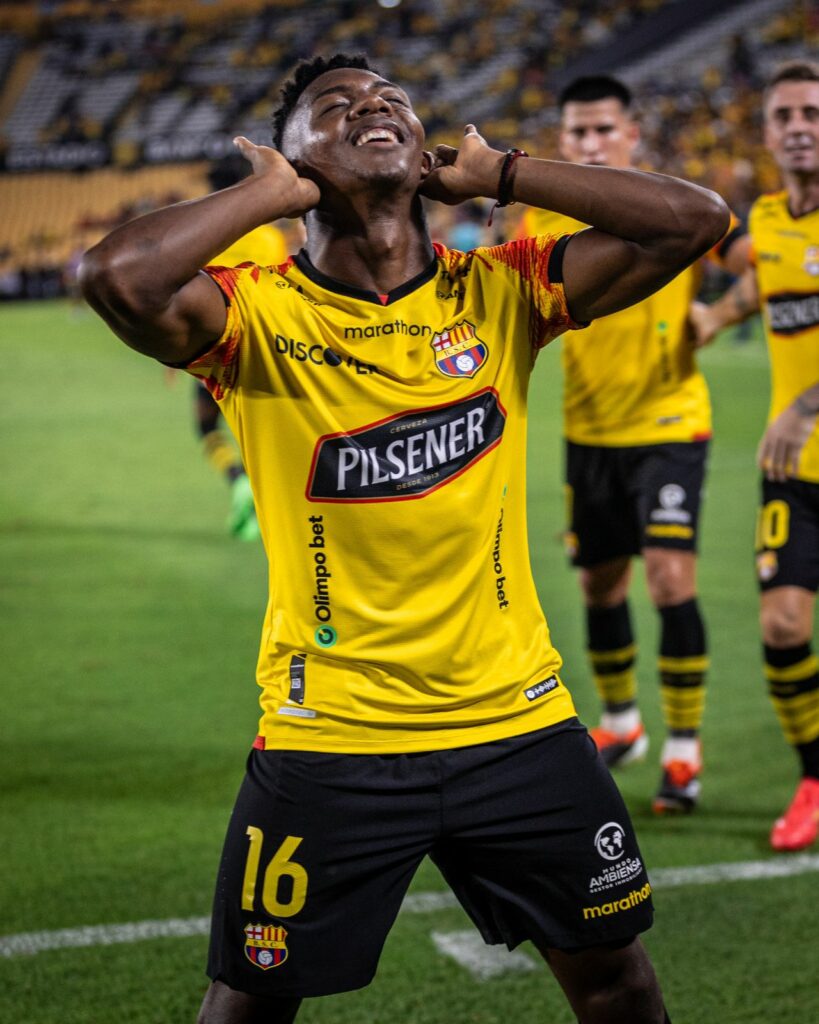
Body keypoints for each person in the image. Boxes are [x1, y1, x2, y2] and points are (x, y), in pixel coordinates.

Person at [80, 53, 727, 1024]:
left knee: (616, 981)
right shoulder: (255, 313)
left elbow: (696, 220)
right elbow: (114, 276)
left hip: (516, 720)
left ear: (423, 148)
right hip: (332, 734)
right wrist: (266, 197)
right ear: (294, 158)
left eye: (391, 100)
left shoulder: (503, 290)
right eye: (334, 107)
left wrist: (504, 173)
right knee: (250, 1003)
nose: (371, 107)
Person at [516, 76, 747, 813]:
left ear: (632, 134)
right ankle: (622, 724)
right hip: (589, 432)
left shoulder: (667, 203)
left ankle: (683, 749)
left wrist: (722, 314)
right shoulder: (541, 219)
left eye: (603, 130)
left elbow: (761, 263)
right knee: (600, 585)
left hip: (669, 424)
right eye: (577, 132)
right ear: (562, 139)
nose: (590, 143)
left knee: (671, 582)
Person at [689, 60, 819, 852]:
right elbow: (768, 291)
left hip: (797, 429)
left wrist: (805, 405)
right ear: (766, 132)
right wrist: (713, 317)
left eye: (811, 113)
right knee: (780, 624)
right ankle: (813, 779)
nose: (798, 127)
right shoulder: (766, 218)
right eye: (784, 116)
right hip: (792, 472)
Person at [197, 157, 291, 541]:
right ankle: (270, 503)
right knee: (264, 430)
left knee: (207, 427)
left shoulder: (202, 238)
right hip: (264, 350)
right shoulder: (269, 238)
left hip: (211, 352)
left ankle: (237, 480)